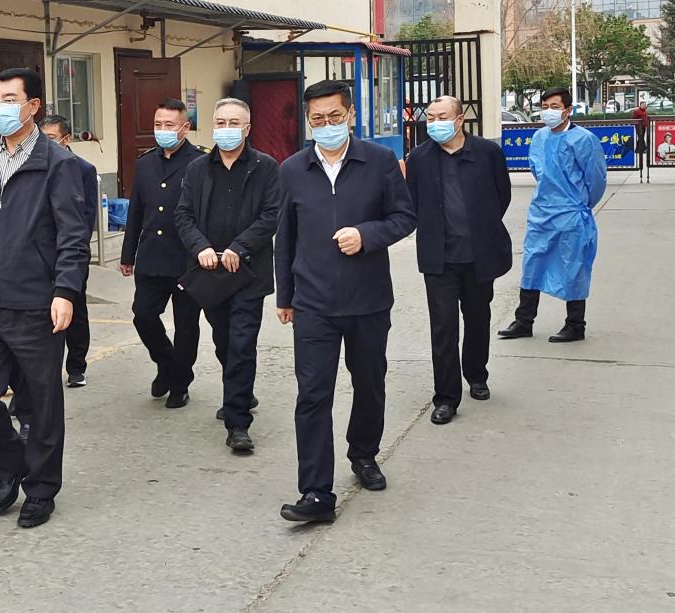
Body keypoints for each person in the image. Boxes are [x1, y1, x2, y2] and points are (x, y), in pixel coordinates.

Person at [274, 80, 415, 524]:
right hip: (313, 303)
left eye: (334, 116)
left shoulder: (379, 161)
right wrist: (285, 296)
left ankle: (363, 453)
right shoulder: (292, 170)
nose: (327, 125)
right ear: (308, 121)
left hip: (367, 299)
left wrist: (367, 235)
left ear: (351, 115)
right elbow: (285, 237)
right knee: (312, 395)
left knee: (369, 383)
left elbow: (404, 217)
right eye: (317, 118)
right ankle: (316, 492)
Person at [0, 67, 88, 529]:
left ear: (33, 106)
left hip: (35, 303)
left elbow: (72, 234)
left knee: (43, 402)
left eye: (9, 99)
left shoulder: (57, 163)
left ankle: (41, 489)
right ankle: (12, 465)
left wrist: (65, 290)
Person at [174, 98, 280, 453]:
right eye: (220, 122)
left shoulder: (265, 167)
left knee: (241, 343)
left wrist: (239, 248)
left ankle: (237, 423)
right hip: (210, 274)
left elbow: (271, 215)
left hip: (247, 272)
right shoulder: (198, 168)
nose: (226, 129)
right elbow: (183, 215)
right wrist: (201, 247)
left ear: (247, 129)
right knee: (224, 340)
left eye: (234, 123)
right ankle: (241, 391)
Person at [406, 97, 512, 426]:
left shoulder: (487, 153)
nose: (435, 122)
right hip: (439, 258)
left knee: (478, 317)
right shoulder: (419, 158)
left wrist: (481, 226)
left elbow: (502, 195)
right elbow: (412, 202)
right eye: (430, 117)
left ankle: (477, 375)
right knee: (443, 326)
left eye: (442, 116)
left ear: (460, 119)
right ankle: (446, 397)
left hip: (480, 254)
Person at [499, 87, 607, 343]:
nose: (548, 111)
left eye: (555, 107)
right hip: (542, 212)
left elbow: (596, 179)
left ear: (568, 110)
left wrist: (580, 205)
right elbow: (538, 171)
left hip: (571, 213)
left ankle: (575, 325)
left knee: (574, 266)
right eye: (545, 106)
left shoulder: (583, 139)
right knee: (532, 264)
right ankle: (524, 321)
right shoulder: (539, 137)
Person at [119, 99, 205, 408]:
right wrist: (128, 254)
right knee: (143, 315)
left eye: (170, 125)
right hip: (152, 256)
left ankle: (180, 383)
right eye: (158, 124)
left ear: (185, 127)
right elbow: (136, 212)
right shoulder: (145, 163)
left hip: (186, 259)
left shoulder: (200, 162)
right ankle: (167, 364)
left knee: (186, 325)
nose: (163, 130)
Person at [41, 114, 99, 388]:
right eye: (41, 138)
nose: (45, 144)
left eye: (51, 138)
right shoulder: (36, 166)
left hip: (71, 252)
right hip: (41, 254)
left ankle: (76, 366)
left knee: (74, 307)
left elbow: (85, 217)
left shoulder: (83, 169)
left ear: (66, 139)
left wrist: (74, 251)